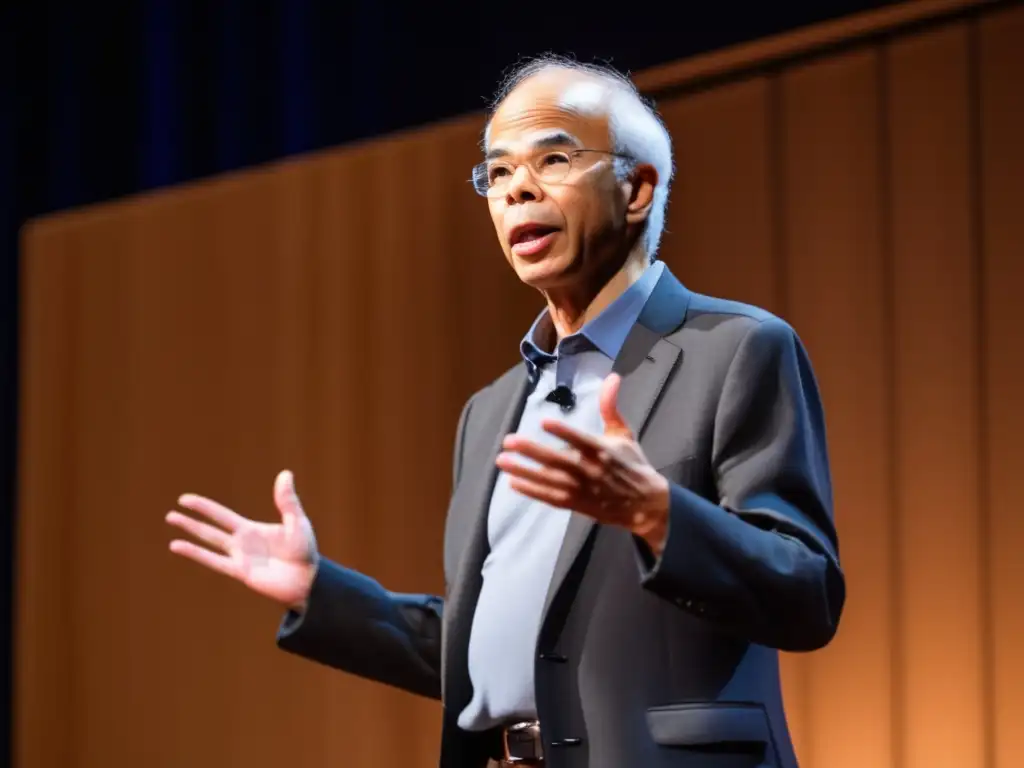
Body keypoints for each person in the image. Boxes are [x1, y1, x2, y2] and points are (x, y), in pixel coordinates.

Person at [166, 55, 844, 768]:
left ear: (638, 187)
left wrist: (658, 514)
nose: (517, 188)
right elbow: (494, 650)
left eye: (552, 158)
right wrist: (319, 592)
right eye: (496, 173)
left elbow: (806, 591)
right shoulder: (490, 411)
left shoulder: (735, 350)